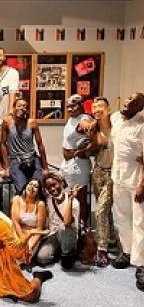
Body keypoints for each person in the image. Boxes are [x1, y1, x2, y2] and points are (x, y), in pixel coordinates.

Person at [110, 92, 144, 292]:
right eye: (129, 98)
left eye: (135, 102)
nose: (129, 102)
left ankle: (141, 265)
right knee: (122, 217)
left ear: (140, 108)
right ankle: (128, 252)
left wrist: (142, 185)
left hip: (136, 181)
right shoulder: (116, 119)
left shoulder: (142, 125)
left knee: (140, 222)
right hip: (118, 178)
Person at [87, 97, 117, 267]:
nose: (97, 109)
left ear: (108, 109)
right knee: (105, 209)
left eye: (101, 107)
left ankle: (102, 248)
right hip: (98, 171)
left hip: (114, 173)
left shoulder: (117, 127)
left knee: (100, 210)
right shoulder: (93, 128)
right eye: (94, 107)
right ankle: (111, 238)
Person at [1, 98, 48, 194]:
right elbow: (3, 144)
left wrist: (45, 167)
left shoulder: (32, 123)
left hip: (32, 159)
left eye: (24, 107)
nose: (21, 108)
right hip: (16, 160)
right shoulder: (7, 122)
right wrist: (6, 166)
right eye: (19, 106)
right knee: (23, 190)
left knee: (37, 188)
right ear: (13, 108)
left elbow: (40, 145)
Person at [60, 94, 93, 226]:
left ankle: (82, 228)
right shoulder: (71, 119)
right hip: (69, 164)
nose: (70, 109)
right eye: (68, 106)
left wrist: (84, 150)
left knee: (80, 198)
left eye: (74, 105)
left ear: (81, 105)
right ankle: (73, 226)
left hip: (78, 166)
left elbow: (92, 132)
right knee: (71, 198)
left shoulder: (83, 119)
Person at [36, 172, 80, 270]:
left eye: (54, 185)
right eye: (48, 187)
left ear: (61, 183)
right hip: (53, 234)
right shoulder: (49, 199)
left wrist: (70, 199)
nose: (52, 189)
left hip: (68, 233)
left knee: (63, 227)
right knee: (42, 258)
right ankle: (58, 251)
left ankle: (67, 253)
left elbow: (68, 222)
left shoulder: (74, 203)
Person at [11, 179, 46, 262]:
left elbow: (39, 229)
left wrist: (29, 246)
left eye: (36, 186)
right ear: (25, 186)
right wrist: (22, 241)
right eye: (30, 184)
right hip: (17, 231)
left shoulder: (40, 204)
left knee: (23, 257)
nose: (32, 187)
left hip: (33, 235)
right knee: (15, 253)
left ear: (38, 191)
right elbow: (15, 223)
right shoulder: (17, 199)